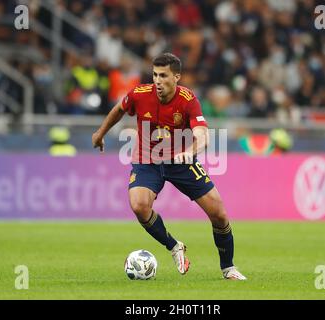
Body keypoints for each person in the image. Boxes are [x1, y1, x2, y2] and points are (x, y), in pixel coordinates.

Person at [92, 53, 246, 280]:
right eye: (155, 74)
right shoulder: (140, 94)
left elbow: (202, 136)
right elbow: (119, 109)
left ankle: (228, 268)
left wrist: (190, 152)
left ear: (176, 77)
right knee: (139, 206)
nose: (157, 80)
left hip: (181, 161)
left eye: (163, 76)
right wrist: (100, 133)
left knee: (219, 213)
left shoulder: (188, 100)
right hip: (148, 160)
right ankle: (174, 246)